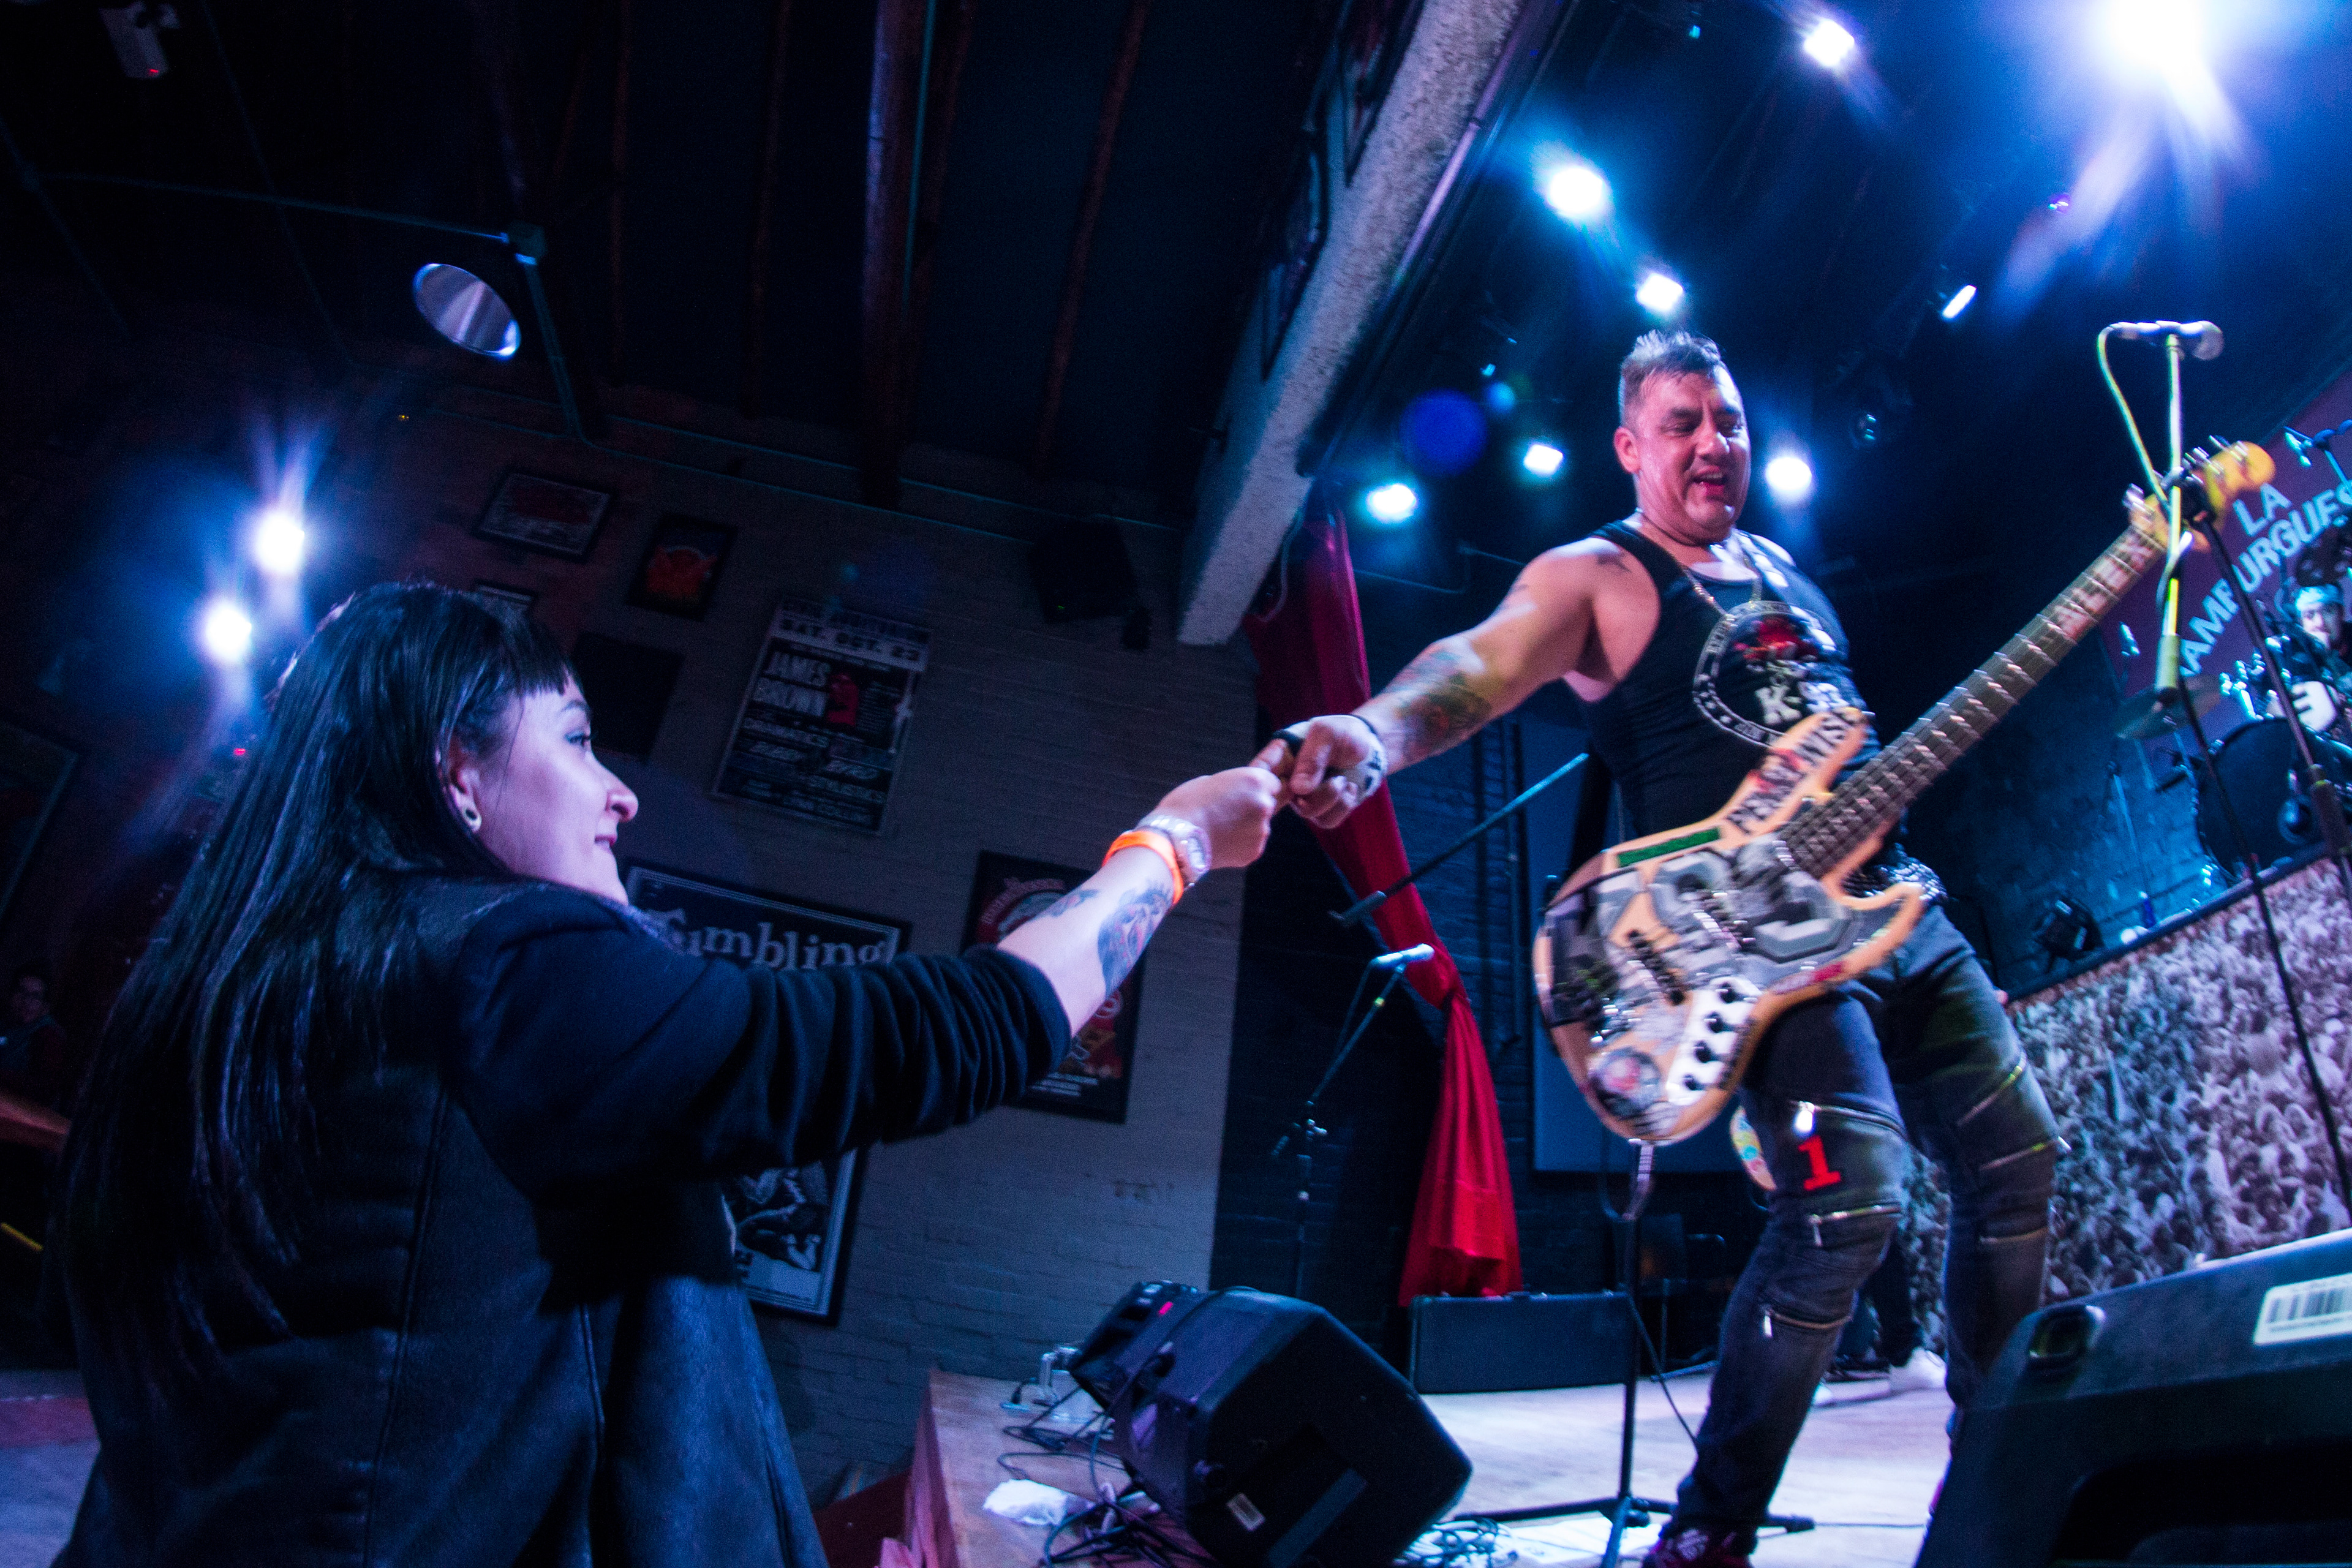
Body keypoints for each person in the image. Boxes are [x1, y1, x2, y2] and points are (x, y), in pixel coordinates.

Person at [55, 581, 1280, 1567]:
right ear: (456, 770)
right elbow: (953, 1029)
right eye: (577, 739)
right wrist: (1171, 843)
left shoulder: (219, 993)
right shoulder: (499, 964)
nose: (621, 795)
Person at [1258, 331, 2060, 1568]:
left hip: (1900, 907)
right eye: (1681, 422)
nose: (1710, 442)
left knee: (2021, 1159)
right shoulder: (1602, 574)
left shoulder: (1791, 576)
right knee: (1850, 1203)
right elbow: (1478, 663)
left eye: (1726, 419)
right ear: (1630, 446)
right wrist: (1372, 731)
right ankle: (1710, 1529)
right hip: (1762, 939)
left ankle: (1998, 1478)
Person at [0, 960, 69, 1110]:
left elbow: (43, 1089)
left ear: (45, 1006)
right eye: (21, 992)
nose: (26, 1002)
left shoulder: (48, 1036)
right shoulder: (6, 1024)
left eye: (35, 997)